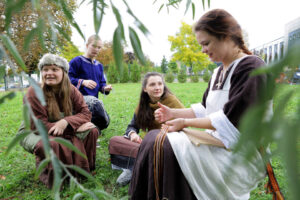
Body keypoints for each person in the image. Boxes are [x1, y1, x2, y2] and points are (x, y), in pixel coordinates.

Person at [129, 9, 271, 200]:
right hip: (215, 143)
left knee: (163, 145)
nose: (203, 50)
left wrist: (184, 124)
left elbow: (232, 122)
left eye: (206, 43)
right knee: (156, 139)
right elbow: (204, 110)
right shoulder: (218, 72)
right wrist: (172, 113)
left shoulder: (251, 67)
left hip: (239, 155)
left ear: (226, 36)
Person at [21, 53, 99, 188]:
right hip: (33, 130)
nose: (49, 73)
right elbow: (39, 126)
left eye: (54, 69)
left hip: (60, 125)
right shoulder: (34, 92)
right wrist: (73, 128)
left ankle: (82, 169)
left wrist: (66, 122)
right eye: (45, 70)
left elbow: (85, 113)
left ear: (64, 72)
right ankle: (55, 176)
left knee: (92, 131)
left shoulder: (72, 90)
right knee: (54, 143)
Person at [109, 72, 184, 186]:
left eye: (160, 84)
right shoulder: (143, 105)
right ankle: (137, 167)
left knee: (154, 152)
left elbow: (184, 125)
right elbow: (132, 126)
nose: (157, 87)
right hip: (146, 144)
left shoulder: (171, 101)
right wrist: (133, 134)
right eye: (152, 84)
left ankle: (135, 168)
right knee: (115, 141)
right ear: (145, 88)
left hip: (167, 145)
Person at [68, 35, 112, 133]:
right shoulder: (76, 61)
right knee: (95, 105)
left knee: (106, 120)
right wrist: (82, 82)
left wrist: (105, 88)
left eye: (99, 47)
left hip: (94, 103)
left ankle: (92, 129)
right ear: (87, 45)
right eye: (94, 46)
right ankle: (89, 131)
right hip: (78, 100)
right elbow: (67, 79)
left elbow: (101, 84)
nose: (96, 49)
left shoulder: (99, 66)